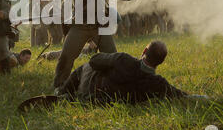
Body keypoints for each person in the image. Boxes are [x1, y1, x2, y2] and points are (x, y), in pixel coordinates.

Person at [53, 0, 150, 92]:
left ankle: (115, 87)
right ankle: (60, 88)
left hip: (100, 26)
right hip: (80, 26)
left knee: (113, 59)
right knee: (65, 58)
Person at [58, 40, 189, 103]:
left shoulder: (124, 60)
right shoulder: (158, 84)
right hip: (103, 102)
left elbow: (94, 60)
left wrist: (108, 63)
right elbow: (182, 95)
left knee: (85, 66)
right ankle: (68, 96)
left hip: (90, 92)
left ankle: (63, 92)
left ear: (144, 51)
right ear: (161, 62)